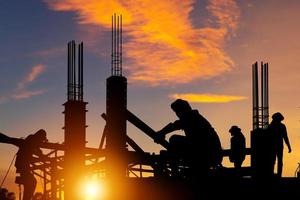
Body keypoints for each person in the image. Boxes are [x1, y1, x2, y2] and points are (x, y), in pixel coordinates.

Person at [155, 99, 223, 177]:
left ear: (183, 109)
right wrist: (162, 132)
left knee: (174, 139)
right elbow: (177, 124)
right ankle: (175, 169)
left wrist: (161, 132)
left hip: (207, 154)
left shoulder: (191, 117)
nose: (177, 114)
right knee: (175, 143)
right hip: (208, 153)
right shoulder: (194, 117)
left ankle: (175, 173)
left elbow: (176, 125)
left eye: (177, 111)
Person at [15, 129, 48, 200]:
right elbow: (29, 156)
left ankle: (27, 198)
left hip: (22, 164)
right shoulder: (32, 140)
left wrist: (40, 154)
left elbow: (35, 151)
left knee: (30, 182)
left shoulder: (33, 140)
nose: (42, 141)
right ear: (40, 137)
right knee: (32, 181)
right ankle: (27, 198)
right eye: (42, 139)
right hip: (22, 164)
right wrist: (41, 157)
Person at [268, 112, 292, 177]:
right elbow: (285, 137)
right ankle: (276, 174)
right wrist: (289, 147)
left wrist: (289, 146)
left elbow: (285, 137)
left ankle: (276, 174)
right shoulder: (278, 126)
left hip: (276, 146)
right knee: (274, 161)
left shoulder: (271, 126)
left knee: (274, 161)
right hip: (276, 146)